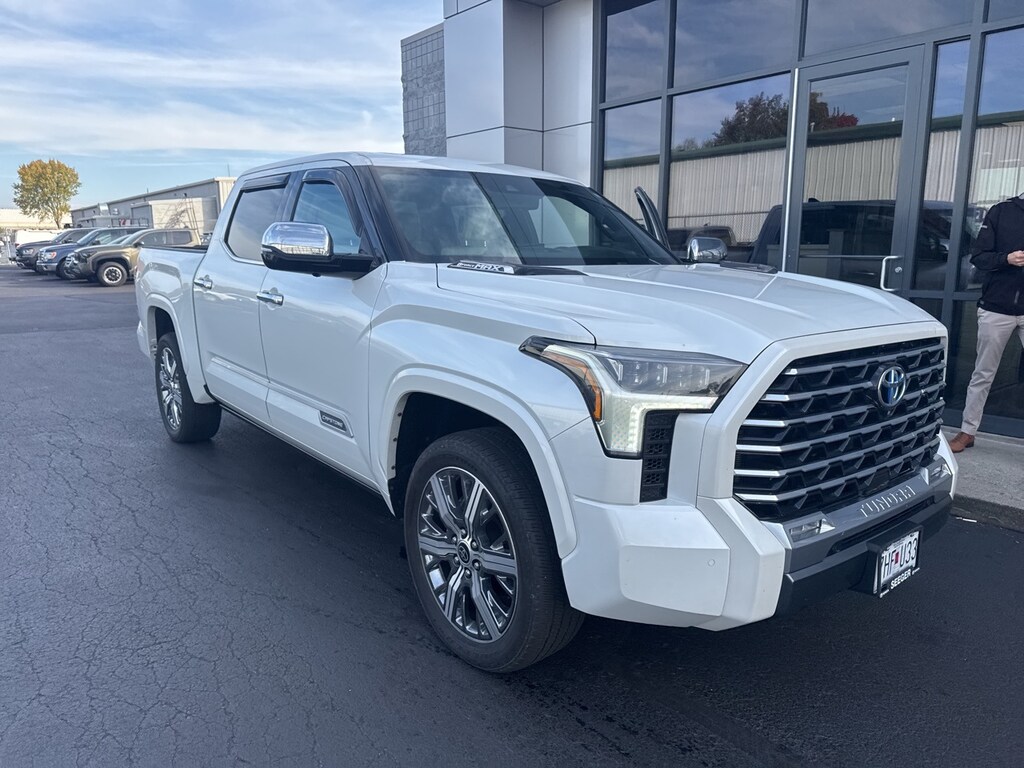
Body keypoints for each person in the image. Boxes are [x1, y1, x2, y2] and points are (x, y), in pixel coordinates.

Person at [949, 193, 1024, 452]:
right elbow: (978, 256)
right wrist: (1007, 259)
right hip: (996, 308)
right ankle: (967, 431)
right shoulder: (1002, 212)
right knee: (983, 374)